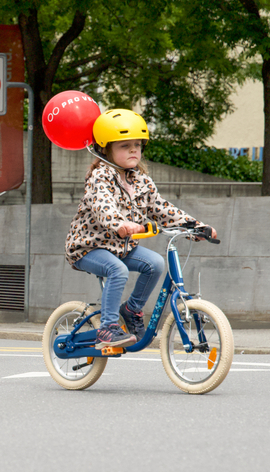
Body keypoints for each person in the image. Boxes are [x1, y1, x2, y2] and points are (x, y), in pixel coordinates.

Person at [65, 109, 218, 347]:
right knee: (117, 270)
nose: (134, 150)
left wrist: (196, 227)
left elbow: (161, 209)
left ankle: (132, 309)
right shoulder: (100, 177)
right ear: (105, 149)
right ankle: (107, 328)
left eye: (137, 144)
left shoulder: (141, 180)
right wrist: (119, 224)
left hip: (121, 247)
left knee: (155, 264)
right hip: (88, 248)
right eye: (125, 145)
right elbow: (103, 205)